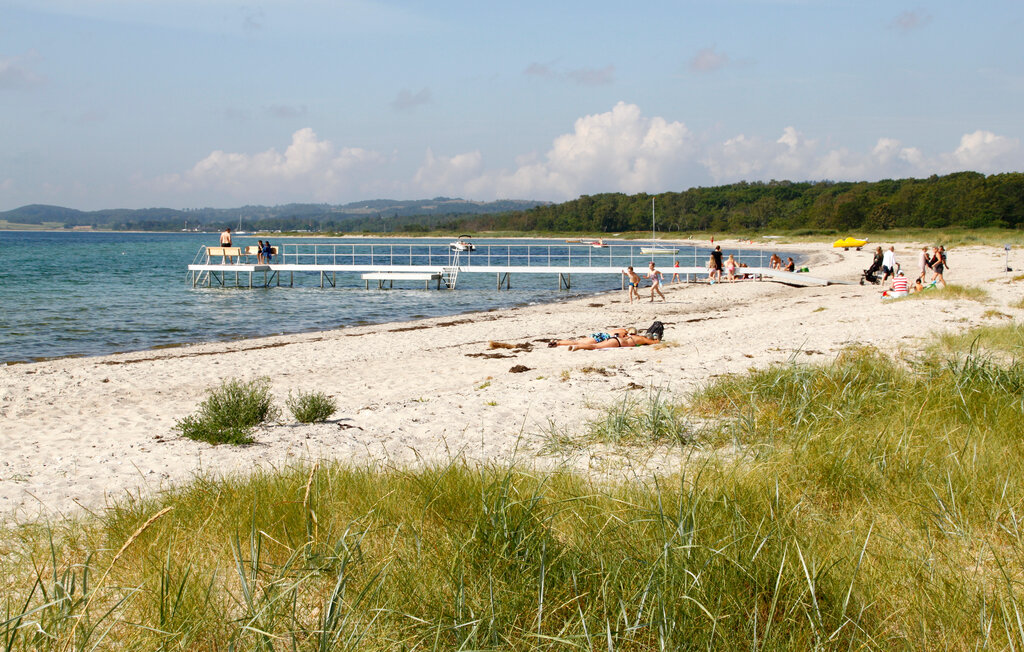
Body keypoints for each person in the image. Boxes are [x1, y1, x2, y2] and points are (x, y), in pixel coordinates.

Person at [550, 327, 637, 348]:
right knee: (577, 343)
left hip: (599, 334)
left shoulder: (620, 329)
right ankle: (558, 343)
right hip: (602, 338)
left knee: (577, 341)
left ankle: (558, 342)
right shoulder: (624, 333)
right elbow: (620, 338)